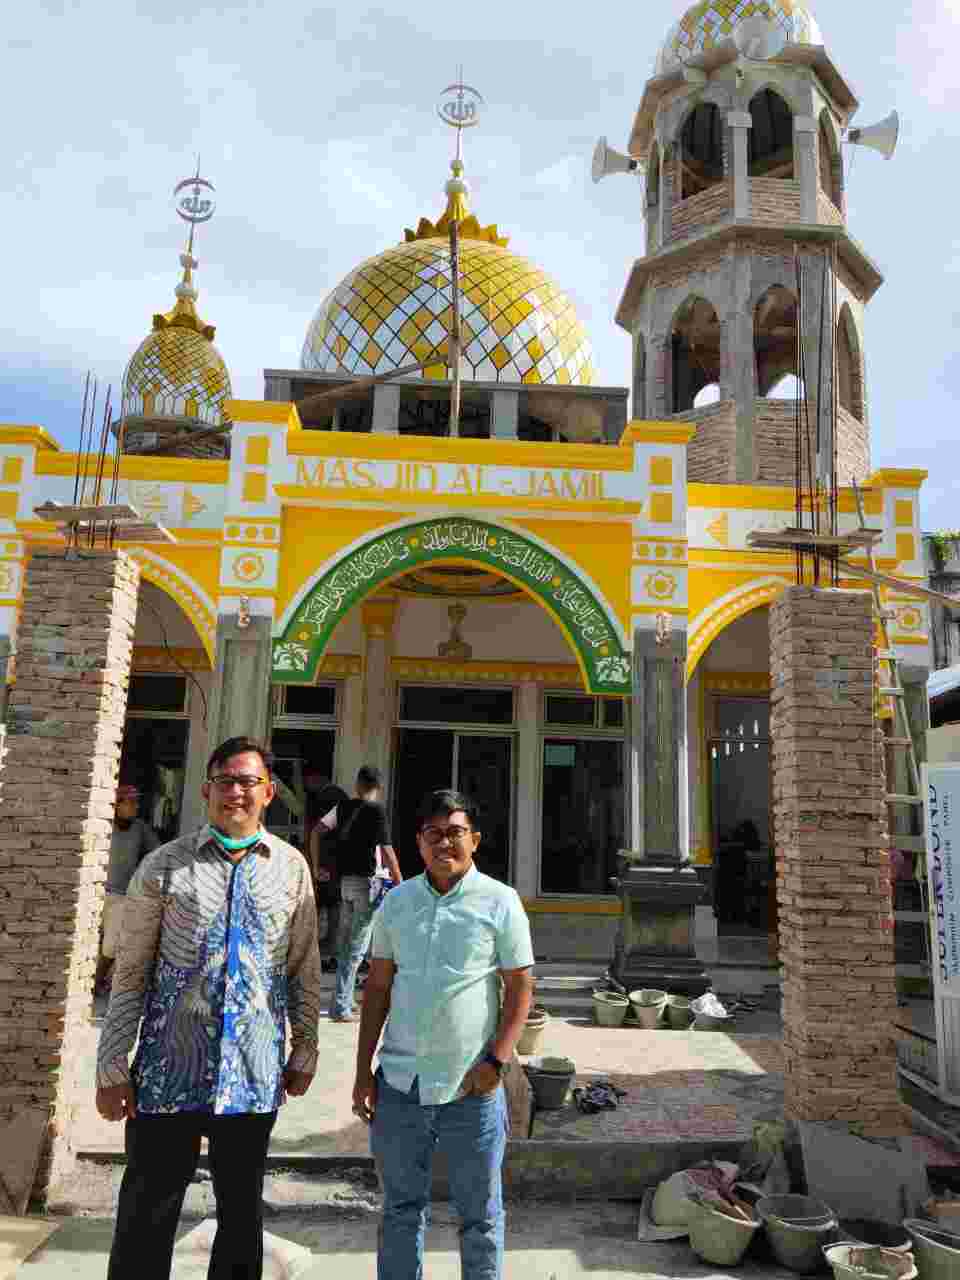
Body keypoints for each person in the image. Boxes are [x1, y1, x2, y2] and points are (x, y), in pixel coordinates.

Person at [96, 736, 321, 1280]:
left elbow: (302, 968)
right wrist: (111, 1064)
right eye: (225, 781)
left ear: (269, 792)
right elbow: (130, 971)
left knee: (241, 1216)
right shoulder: (163, 866)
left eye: (248, 781)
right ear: (206, 790)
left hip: (251, 1075)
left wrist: (305, 1047)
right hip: (168, 1071)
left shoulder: (291, 869)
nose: (235, 792)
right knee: (147, 1211)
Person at [353, 788, 534, 1280]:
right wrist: (363, 1072)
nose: (444, 843)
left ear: (474, 840)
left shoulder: (500, 901)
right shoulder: (397, 903)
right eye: (433, 834)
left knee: (480, 1216)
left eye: (455, 832)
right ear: (419, 842)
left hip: (471, 1086)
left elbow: (521, 987)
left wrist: (496, 1062)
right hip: (400, 1084)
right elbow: (378, 987)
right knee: (399, 1209)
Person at [322, 765, 402, 1023]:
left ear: (357, 784)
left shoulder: (342, 807)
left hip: (344, 883)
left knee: (348, 944)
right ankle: (341, 1007)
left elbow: (317, 831)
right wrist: (400, 883)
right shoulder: (376, 810)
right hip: (366, 886)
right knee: (355, 949)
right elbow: (387, 850)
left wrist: (316, 864)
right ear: (379, 787)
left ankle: (346, 1000)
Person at [94, 783, 159, 995]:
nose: (135, 806)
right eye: (130, 802)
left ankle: (96, 981)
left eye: (136, 802)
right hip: (96, 892)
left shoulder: (140, 829)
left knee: (111, 945)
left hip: (121, 895)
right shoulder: (102, 824)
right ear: (116, 805)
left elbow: (157, 853)